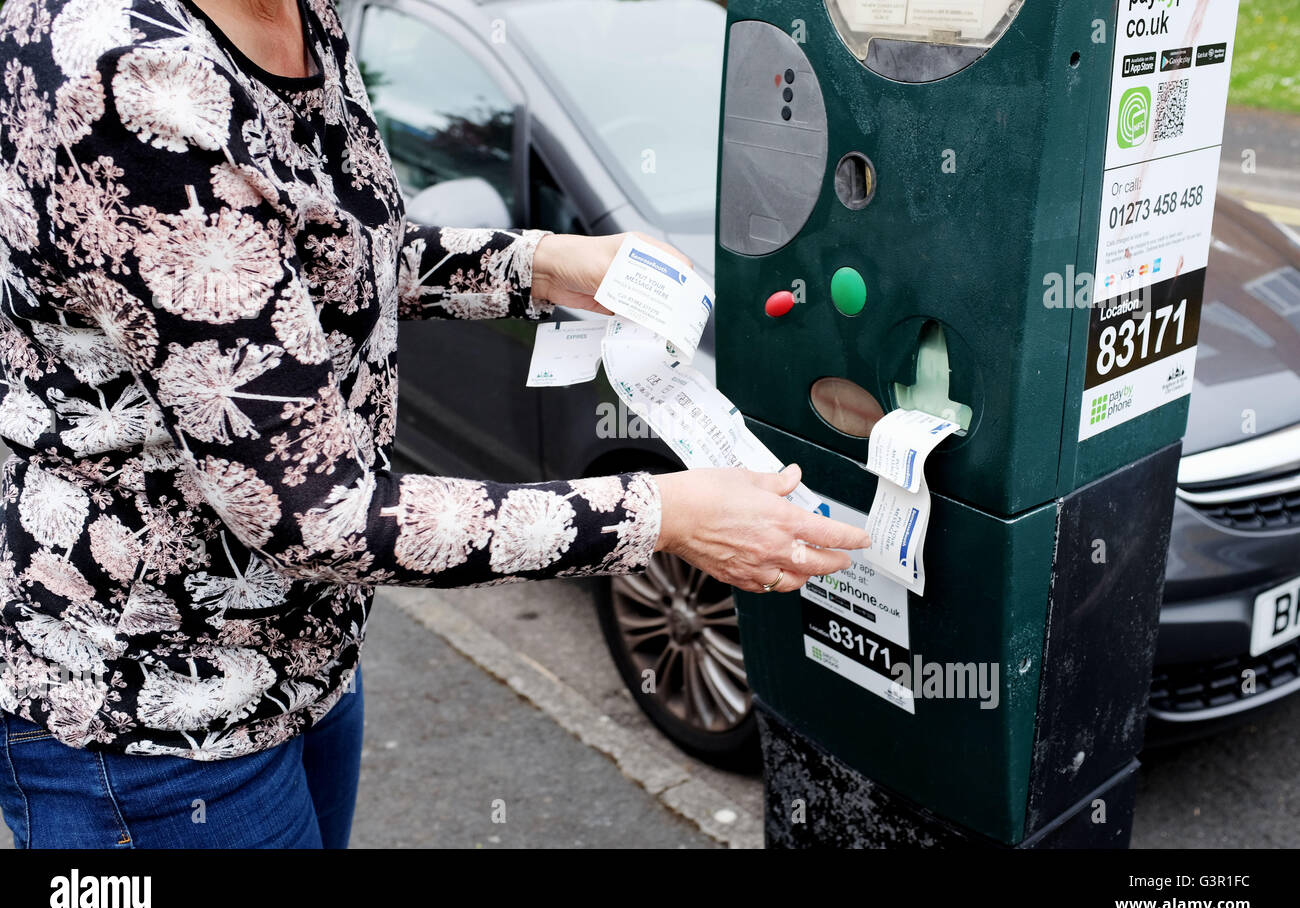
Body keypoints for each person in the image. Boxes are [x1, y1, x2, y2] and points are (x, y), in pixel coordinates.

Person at [0, 0, 870, 848]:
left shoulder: (301, 15)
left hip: (306, 653)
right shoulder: (132, 77)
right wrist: (668, 515)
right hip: (146, 713)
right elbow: (318, 513)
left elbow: (326, 255)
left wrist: (542, 262)